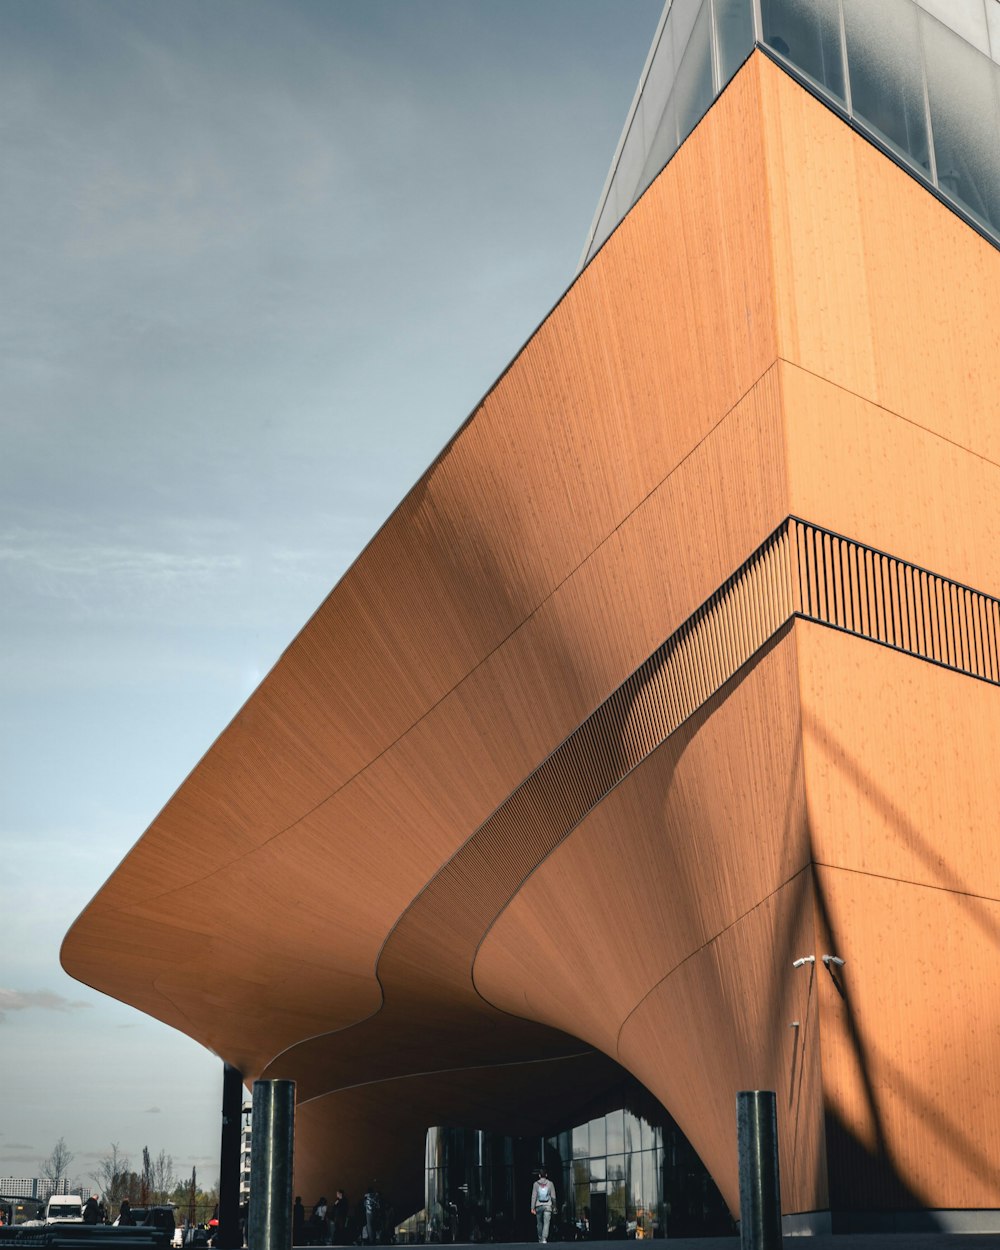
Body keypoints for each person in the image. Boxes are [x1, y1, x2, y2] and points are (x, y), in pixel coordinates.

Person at [530, 1170, 556, 1245]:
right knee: (546, 1223)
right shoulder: (550, 1184)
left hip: (538, 1206)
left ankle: (540, 1238)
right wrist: (554, 1206)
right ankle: (544, 1238)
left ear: (539, 1175)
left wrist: (532, 1207)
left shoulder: (536, 1184)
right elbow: (553, 1196)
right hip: (548, 1205)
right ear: (546, 1175)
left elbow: (534, 1196)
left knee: (539, 1223)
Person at [362, 1182, 382, 1247]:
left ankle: (371, 1240)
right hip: (375, 1213)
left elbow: (364, 1204)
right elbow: (378, 1206)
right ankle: (374, 1239)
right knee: (374, 1226)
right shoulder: (376, 1197)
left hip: (368, 1213)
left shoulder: (366, 1197)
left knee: (369, 1226)